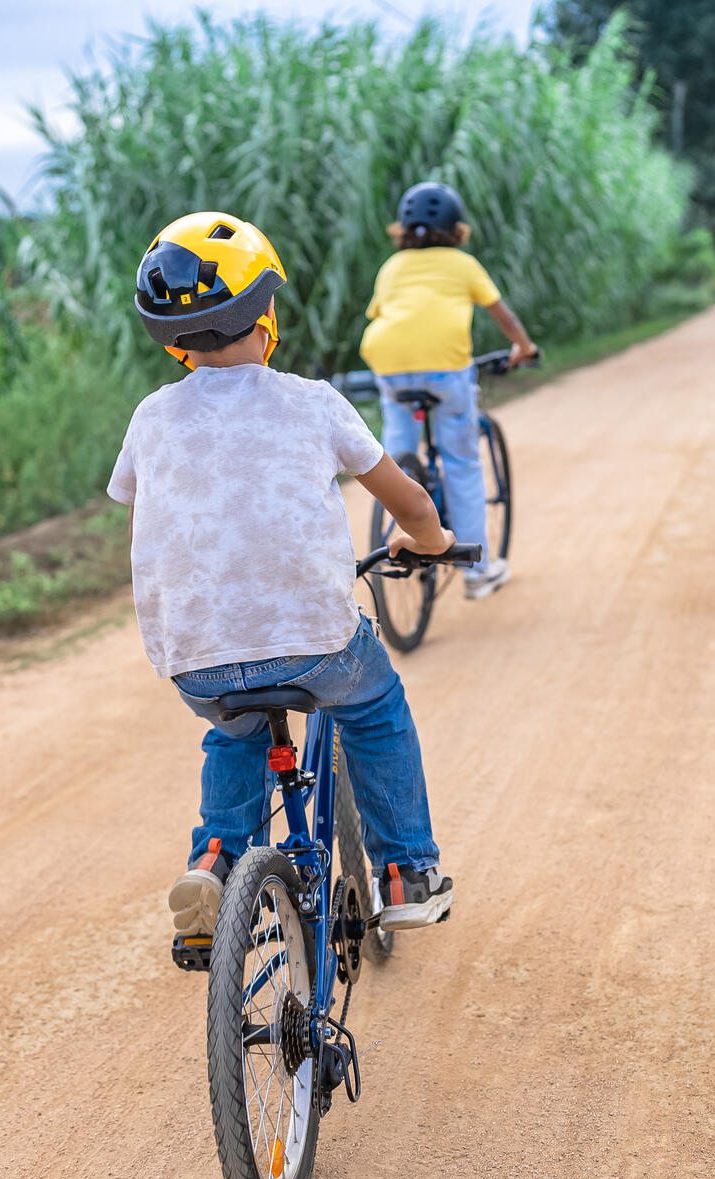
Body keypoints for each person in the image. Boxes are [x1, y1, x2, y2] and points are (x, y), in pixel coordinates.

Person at [107, 211, 458, 943]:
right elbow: (413, 504)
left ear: (172, 340)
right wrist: (428, 539)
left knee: (235, 724)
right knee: (372, 706)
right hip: (313, 645)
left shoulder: (150, 417)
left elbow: (153, 521)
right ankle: (405, 871)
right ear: (265, 312)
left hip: (193, 655)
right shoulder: (312, 400)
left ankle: (217, 857)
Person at [361, 181, 538, 599]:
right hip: (445, 368)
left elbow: (382, 313)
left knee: (398, 454)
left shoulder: (392, 266)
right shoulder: (462, 264)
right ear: (456, 227)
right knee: (460, 461)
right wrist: (524, 348)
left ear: (402, 228)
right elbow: (504, 316)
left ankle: (402, 528)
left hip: (389, 362)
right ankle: (476, 572)